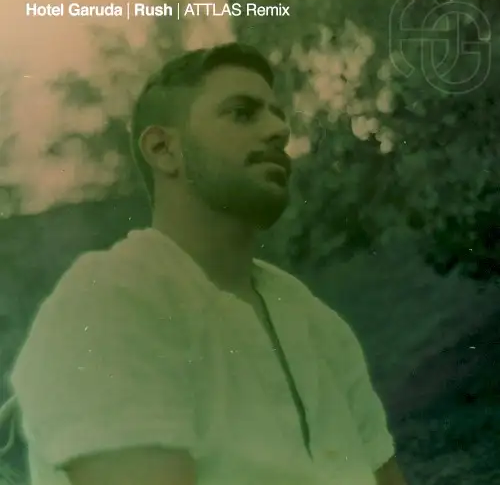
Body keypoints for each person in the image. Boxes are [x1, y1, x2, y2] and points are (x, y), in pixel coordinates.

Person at [7, 42, 407, 485]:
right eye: (242, 113)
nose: (278, 130)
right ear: (163, 149)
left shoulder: (319, 324)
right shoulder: (107, 301)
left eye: (279, 116)